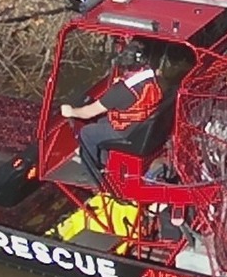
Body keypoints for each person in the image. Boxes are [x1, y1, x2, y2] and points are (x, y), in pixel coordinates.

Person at [61, 39, 165, 185]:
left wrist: (71, 111)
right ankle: (104, 160)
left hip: (129, 132)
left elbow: (88, 113)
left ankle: (93, 175)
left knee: (87, 132)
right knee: (102, 122)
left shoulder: (121, 91)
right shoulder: (152, 76)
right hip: (144, 124)